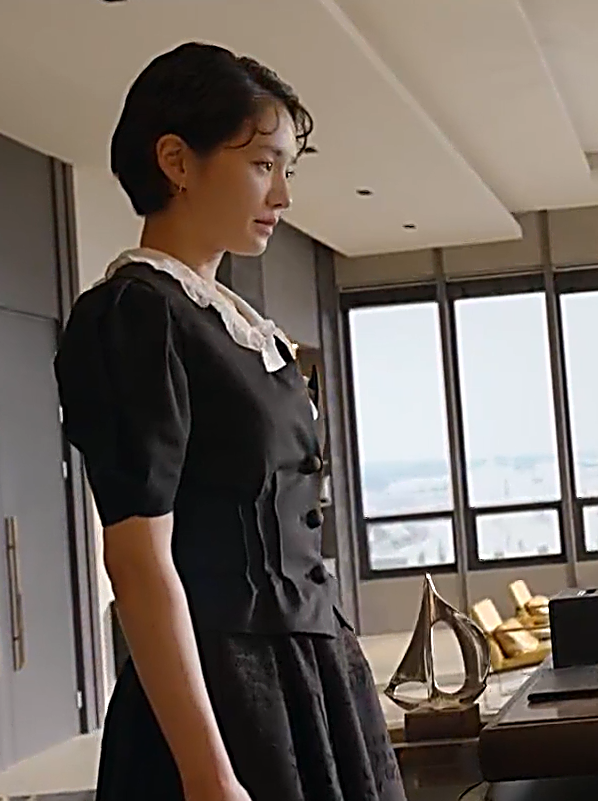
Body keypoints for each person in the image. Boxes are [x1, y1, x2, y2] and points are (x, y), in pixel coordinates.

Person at [55, 43, 402, 801]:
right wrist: (208, 773)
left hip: (310, 674)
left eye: (286, 169)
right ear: (177, 160)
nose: (282, 194)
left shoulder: (232, 323)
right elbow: (138, 562)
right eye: (262, 164)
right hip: (225, 692)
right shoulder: (136, 315)